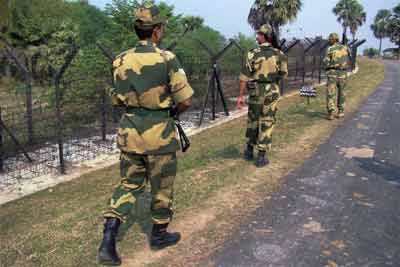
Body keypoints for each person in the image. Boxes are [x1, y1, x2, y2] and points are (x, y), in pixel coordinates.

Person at [98, 4, 193, 266]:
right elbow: (186, 100)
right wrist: (172, 112)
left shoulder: (119, 60)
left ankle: (108, 239)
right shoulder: (167, 58)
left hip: (130, 133)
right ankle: (159, 235)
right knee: (161, 187)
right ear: (157, 31)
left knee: (129, 185)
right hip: (160, 135)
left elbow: (117, 100)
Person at [236, 24, 288, 167]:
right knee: (267, 120)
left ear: (264, 36)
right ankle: (261, 155)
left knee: (253, 120)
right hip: (272, 90)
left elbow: (244, 76)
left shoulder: (252, 53)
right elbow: (283, 74)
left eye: (258, 34)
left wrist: (240, 96)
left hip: (256, 90)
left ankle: (249, 150)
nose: (257, 36)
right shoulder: (279, 54)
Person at [323, 32, 351, 120]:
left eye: (329, 39)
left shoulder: (330, 49)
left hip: (332, 74)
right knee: (342, 93)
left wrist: (326, 66)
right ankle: (341, 112)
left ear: (332, 39)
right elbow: (350, 58)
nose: (329, 40)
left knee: (331, 93)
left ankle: (331, 113)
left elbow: (326, 62)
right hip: (343, 74)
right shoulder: (346, 48)